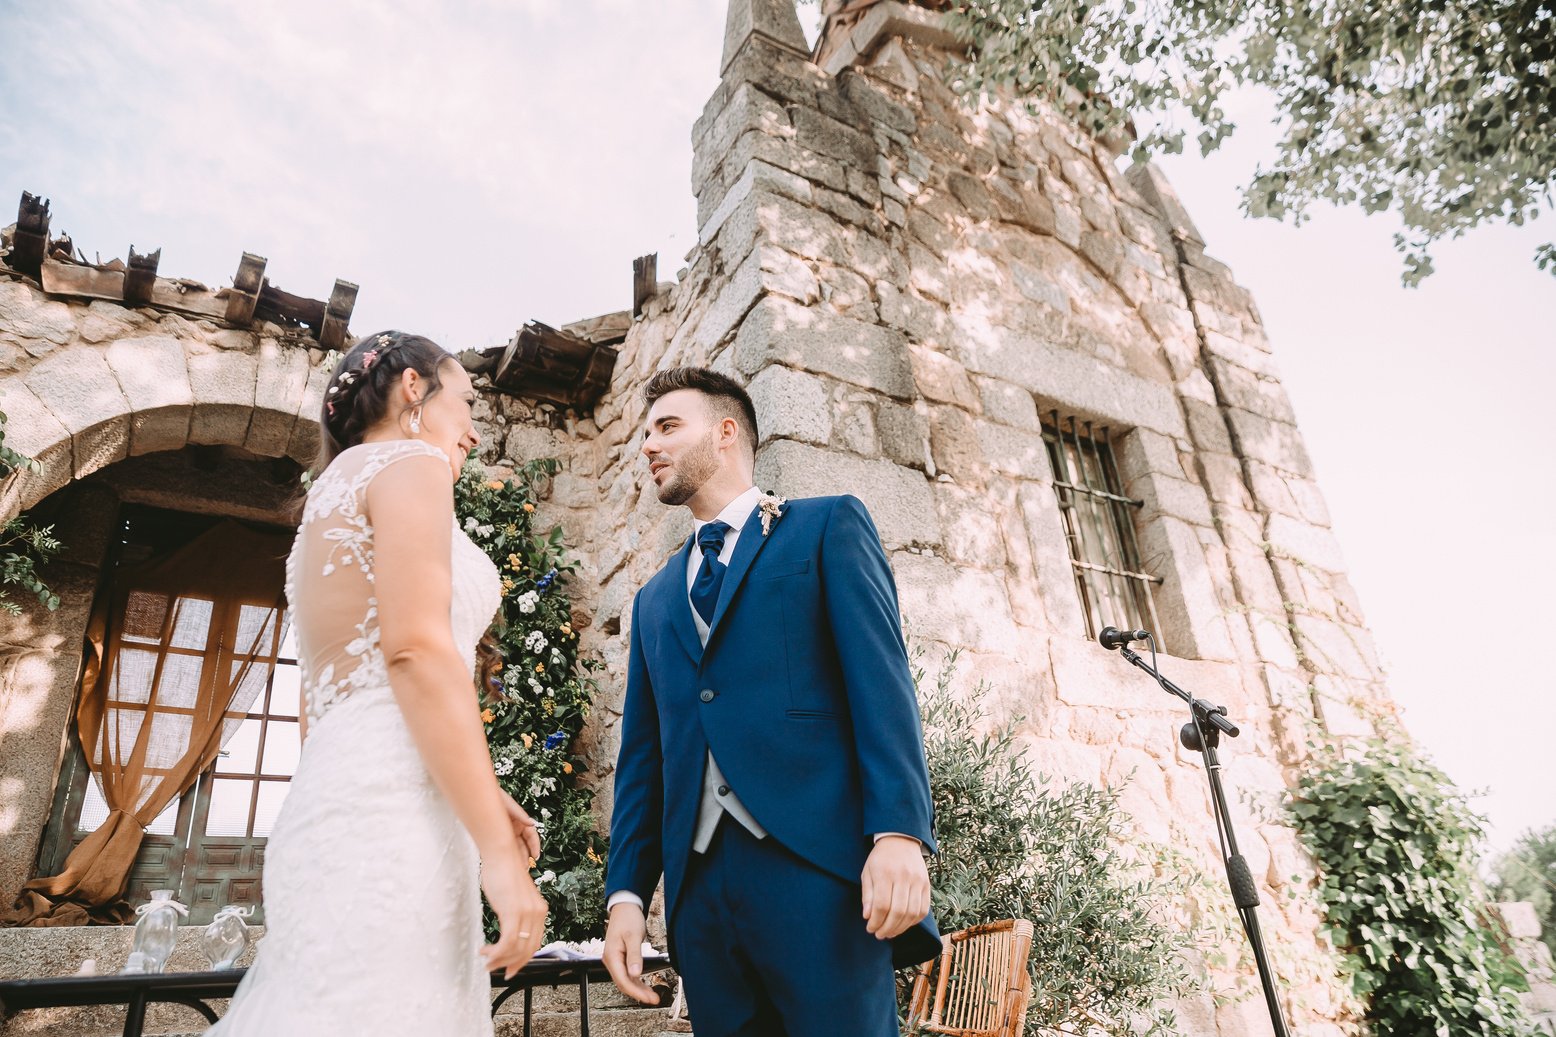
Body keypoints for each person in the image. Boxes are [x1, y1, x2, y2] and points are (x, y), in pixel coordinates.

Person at [207, 332, 547, 1036]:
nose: (475, 427)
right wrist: (496, 854)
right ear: (415, 389)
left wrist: (480, 790)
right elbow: (417, 653)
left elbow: (354, 694)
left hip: (335, 803)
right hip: (396, 818)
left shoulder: (327, 500)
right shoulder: (410, 463)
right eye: (467, 399)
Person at [602, 367, 939, 1036]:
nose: (649, 445)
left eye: (668, 426)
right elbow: (643, 760)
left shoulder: (824, 527)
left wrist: (899, 834)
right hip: (701, 901)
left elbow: (882, 685)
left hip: (819, 874)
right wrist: (627, 895)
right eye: (645, 433)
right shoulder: (653, 601)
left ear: (727, 433)